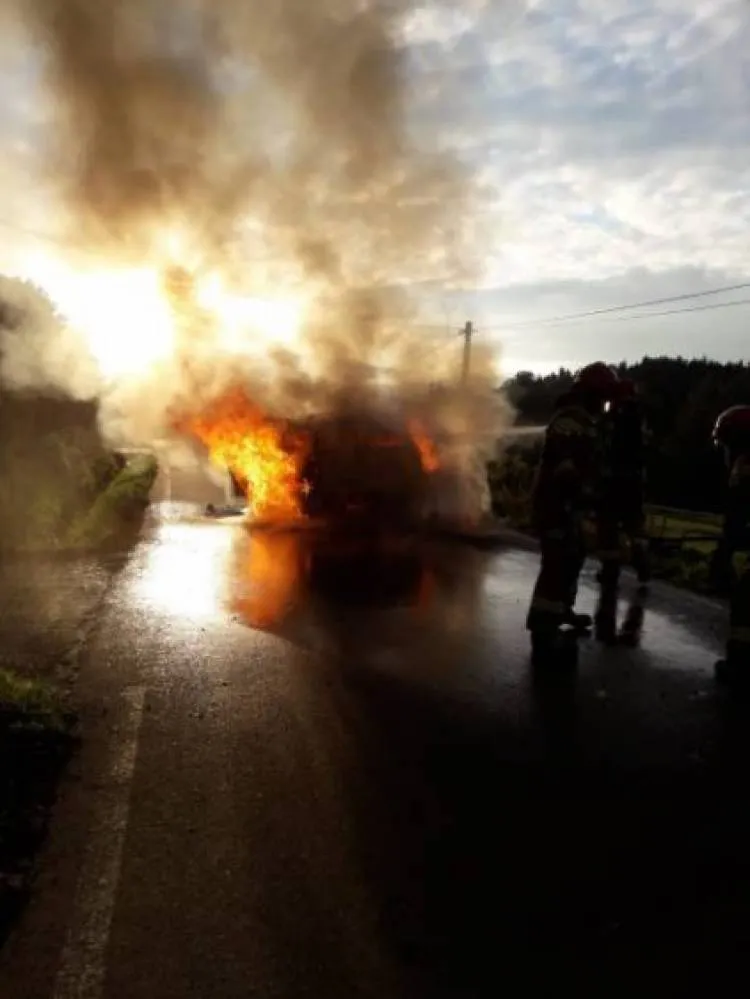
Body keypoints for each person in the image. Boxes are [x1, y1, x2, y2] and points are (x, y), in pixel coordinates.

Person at [526, 362, 620, 661]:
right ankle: (543, 630)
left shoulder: (586, 421)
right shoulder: (570, 421)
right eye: (603, 396)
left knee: (573, 558)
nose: (605, 404)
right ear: (592, 393)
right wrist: (584, 496)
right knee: (557, 564)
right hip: (558, 505)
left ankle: (562, 611)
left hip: (572, 506)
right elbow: (566, 470)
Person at [594, 377, 651, 642]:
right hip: (634, 483)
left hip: (613, 482)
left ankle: (610, 571)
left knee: (608, 528)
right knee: (634, 526)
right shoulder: (637, 418)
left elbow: (605, 449)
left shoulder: (617, 418)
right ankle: (642, 563)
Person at [710, 405, 750, 686]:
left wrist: (726, 551)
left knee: (746, 599)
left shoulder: (744, 467)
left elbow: (738, 516)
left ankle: (739, 665)